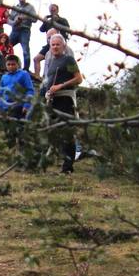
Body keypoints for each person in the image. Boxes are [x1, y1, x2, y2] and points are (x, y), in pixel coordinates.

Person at [42, 33, 84, 173]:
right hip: (53, 101)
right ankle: (51, 160)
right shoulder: (52, 62)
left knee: (67, 132)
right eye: (52, 45)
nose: (55, 47)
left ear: (63, 46)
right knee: (53, 131)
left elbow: (78, 79)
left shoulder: (69, 60)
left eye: (57, 44)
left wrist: (61, 86)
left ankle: (68, 167)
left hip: (66, 100)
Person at [0, 54, 37, 119]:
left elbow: (30, 90)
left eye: (13, 64)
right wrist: (0, 106)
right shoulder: (4, 77)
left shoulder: (24, 74)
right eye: (8, 64)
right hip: (6, 108)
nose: (11, 66)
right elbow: (0, 93)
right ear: (6, 65)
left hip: (19, 106)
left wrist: (26, 105)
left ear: (17, 64)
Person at [7, 0, 37, 73]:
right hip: (15, 30)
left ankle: (26, 69)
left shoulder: (30, 7)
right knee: (6, 47)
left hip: (25, 30)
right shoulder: (14, 8)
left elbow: (35, 19)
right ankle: (6, 66)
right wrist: (15, 22)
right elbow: (9, 20)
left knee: (25, 50)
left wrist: (26, 17)